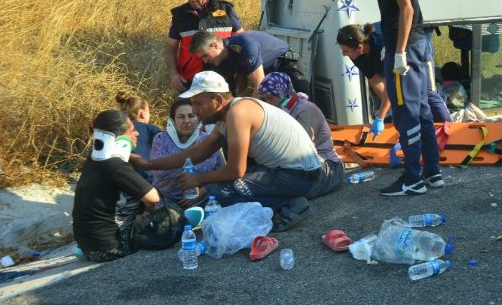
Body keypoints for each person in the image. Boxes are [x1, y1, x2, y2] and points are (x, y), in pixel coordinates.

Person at [131, 71, 335, 231]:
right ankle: (275, 202)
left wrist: (200, 179)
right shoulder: (228, 115)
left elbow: (236, 170)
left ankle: (290, 204)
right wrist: (148, 164)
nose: (194, 110)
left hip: (300, 176)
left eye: (197, 104)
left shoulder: (238, 113)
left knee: (219, 192)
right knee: (219, 185)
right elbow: (197, 153)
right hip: (286, 171)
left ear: (217, 101)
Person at [351, 0, 443, 196]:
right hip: (407, 46)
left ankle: (412, 179)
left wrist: (400, 52)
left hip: (404, 48)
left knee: (406, 114)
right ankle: (432, 173)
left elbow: (407, 9)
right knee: (422, 112)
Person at [72, 110, 161, 262]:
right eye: (132, 130)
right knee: (168, 217)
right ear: (119, 138)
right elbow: (153, 198)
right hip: (112, 247)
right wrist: (153, 212)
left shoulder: (93, 160)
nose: (137, 134)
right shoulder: (115, 166)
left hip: (89, 246)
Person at [337, 22, 452, 134]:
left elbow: (391, 84)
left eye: (345, 51)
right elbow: (374, 80)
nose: (343, 54)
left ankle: (450, 128)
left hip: (416, 49)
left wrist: (381, 116)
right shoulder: (355, 53)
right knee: (396, 105)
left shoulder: (383, 45)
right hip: (396, 59)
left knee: (427, 92)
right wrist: (390, 108)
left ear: (360, 47)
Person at [256, 72, 344, 197]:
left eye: (270, 98)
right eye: (264, 99)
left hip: (328, 168)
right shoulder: (283, 111)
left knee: (276, 182)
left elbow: (300, 148)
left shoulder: (305, 110)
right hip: (307, 165)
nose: (267, 103)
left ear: (282, 93)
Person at [165, 0, 243, 93]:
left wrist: (241, 74)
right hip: (190, 82)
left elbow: (241, 42)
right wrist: (173, 74)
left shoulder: (225, 10)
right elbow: (170, 47)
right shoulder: (180, 15)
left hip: (223, 81)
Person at [189, 29, 309, 96]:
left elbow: (260, 85)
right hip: (267, 71)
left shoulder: (244, 45)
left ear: (215, 46)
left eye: (205, 55)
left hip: (285, 63)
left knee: (301, 102)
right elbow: (236, 89)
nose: (205, 61)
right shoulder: (221, 59)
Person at [150, 98, 225, 203]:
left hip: (205, 201)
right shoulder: (161, 139)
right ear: (173, 120)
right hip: (166, 202)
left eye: (191, 116)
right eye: (181, 117)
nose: (187, 121)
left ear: (198, 118)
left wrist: (203, 190)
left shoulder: (208, 140)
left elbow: (221, 173)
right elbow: (160, 173)